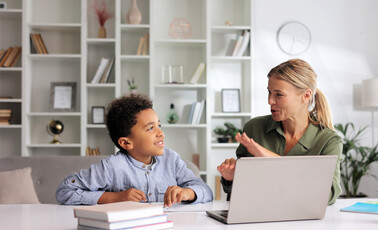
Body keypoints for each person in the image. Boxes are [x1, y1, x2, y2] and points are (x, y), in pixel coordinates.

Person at [217, 58, 342, 205]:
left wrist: (272, 160)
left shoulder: (328, 140)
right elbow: (238, 193)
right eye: (269, 92)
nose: (270, 101)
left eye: (279, 94)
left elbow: (328, 195)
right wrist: (231, 178)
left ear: (306, 95)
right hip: (255, 218)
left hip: (304, 223)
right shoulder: (253, 128)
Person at [56, 94, 213, 207]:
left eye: (159, 125)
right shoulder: (112, 167)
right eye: (150, 128)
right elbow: (65, 191)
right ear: (126, 142)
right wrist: (116, 197)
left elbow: (206, 191)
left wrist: (187, 193)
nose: (160, 133)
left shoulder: (172, 159)